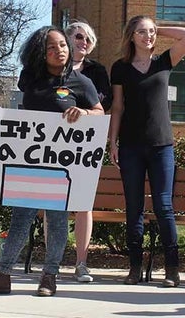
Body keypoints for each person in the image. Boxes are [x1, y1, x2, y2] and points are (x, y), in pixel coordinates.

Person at [0, 26, 104, 297]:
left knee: (56, 220)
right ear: (41, 53)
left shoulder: (81, 82)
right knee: (21, 218)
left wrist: (85, 112)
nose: (59, 51)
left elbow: (100, 113)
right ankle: (2, 274)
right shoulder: (29, 78)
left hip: (63, 165)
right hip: (29, 162)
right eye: (51, 48)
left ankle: (49, 276)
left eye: (62, 46)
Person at [108, 16, 185, 287]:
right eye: (142, 32)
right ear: (131, 36)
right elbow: (118, 107)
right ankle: (134, 268)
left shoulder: (163, 61)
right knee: (134, 207)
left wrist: (158, 25)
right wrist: (113, 141)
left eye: (151, 32)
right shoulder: (120, 68)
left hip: (161, 146)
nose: (148, 36)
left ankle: (172, 269)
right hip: (131, 146)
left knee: (163, 206)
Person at [64, 20, 112, 283]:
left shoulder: (96, 71)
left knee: (83, 203)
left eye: (89, 39)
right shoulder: (50, 67)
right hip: (53, 142)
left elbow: (105, 102)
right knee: (54, 204)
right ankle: (54, 259)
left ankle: (81, 263)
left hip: (85, 143)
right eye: (79, 36)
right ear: (67, 39)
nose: (84, 42)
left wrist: (81, 110)